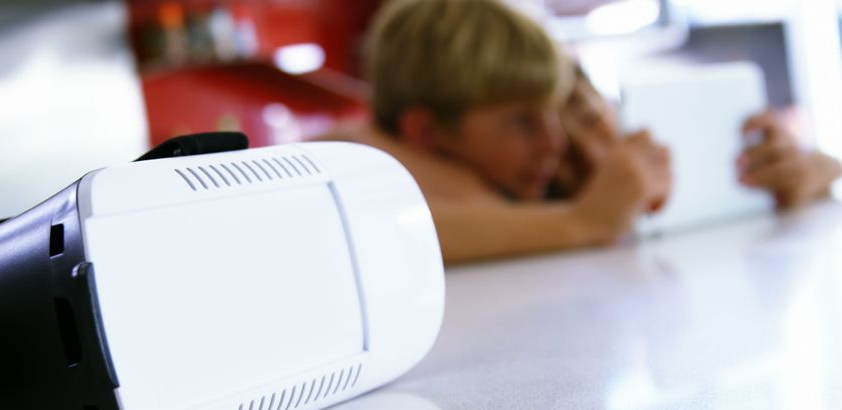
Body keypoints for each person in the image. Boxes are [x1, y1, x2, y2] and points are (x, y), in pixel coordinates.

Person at [324, 0, 671, 263]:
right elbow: (384, 223)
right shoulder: (350, 166)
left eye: (553, 114)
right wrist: (586, 221)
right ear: (427, 130)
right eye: (522, 121)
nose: (555, 142)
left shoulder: (508, 178)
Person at [560, 65, 842, 212]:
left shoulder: (662, 137)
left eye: (591, 120)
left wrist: (799, 173)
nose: (588, 153)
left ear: (608, 102)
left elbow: (832, 166)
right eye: (564, 153)